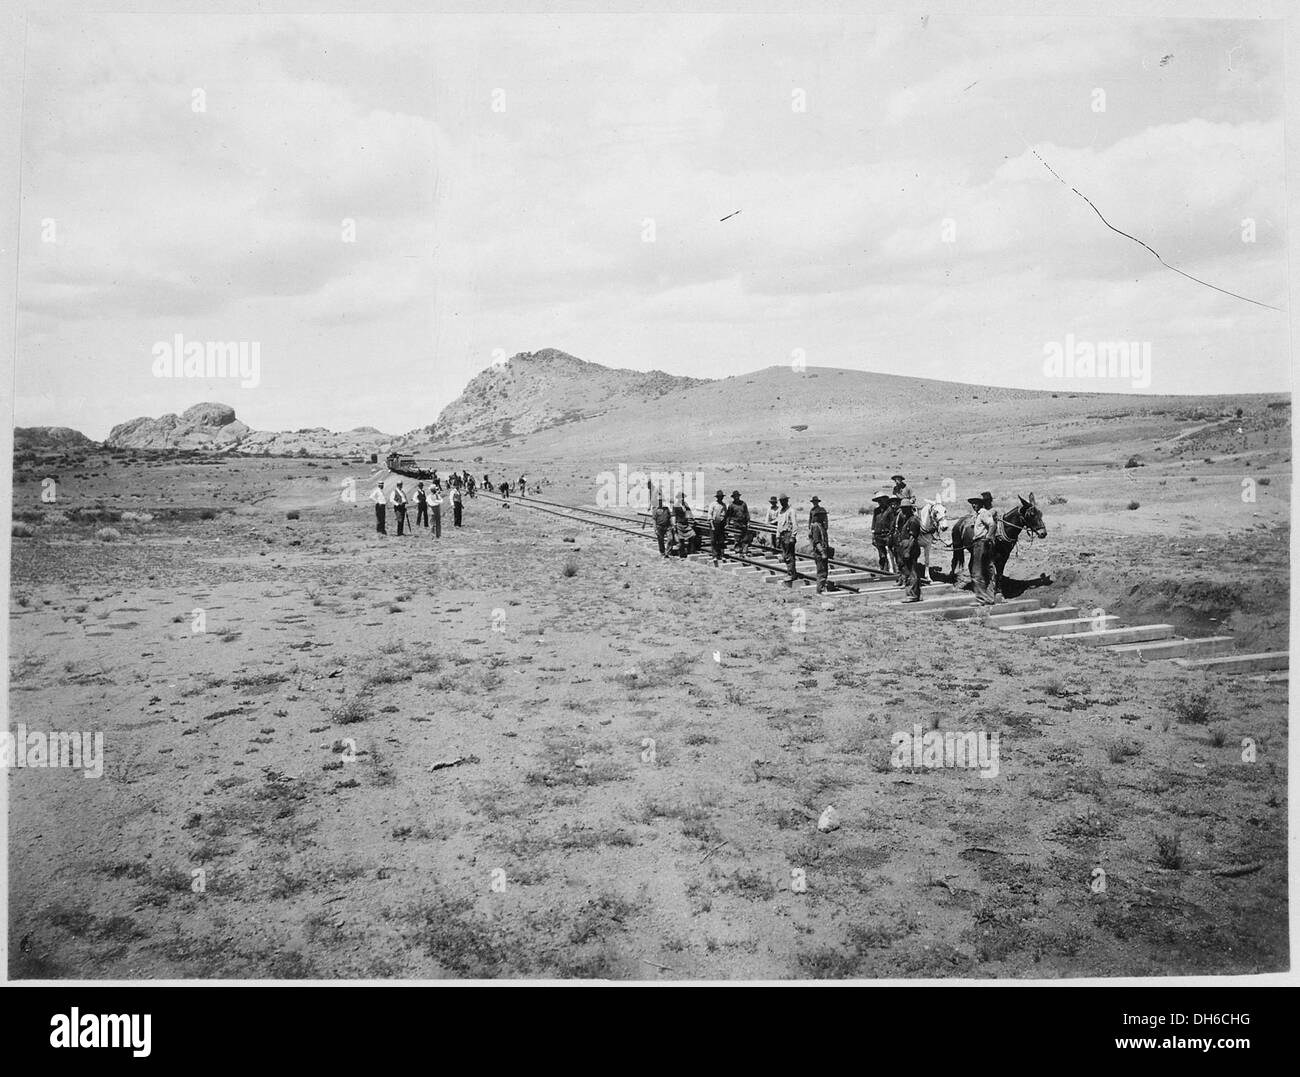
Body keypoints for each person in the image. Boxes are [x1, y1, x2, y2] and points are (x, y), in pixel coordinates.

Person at [968, 494, 996, 604]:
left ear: (981, 503)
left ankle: (981, 599)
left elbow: (992, 525)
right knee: (986, 571)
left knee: (976, 572)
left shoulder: (983, 513)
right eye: (972, 503)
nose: (974, 505)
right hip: (981, 543)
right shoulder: (979, 514)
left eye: (976, 503)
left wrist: (987, 537)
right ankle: (989, 598)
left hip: (980, 544)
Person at [896, 498, 923, 601]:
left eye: (905, 508)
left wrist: (907, 551)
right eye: (902, 508)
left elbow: (913, 537)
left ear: (909, 509)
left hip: (911, 549)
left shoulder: (913, 520)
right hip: (906, 548)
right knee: (908, 571)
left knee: (912, 572)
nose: (903, 510)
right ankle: (912, 594)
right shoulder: (907, 520)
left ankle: (913, 595)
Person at [808, 497, 832, 593]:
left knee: (824, 571)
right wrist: (822, 552)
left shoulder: (820, 526)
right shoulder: (816, 527)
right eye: (822, 516)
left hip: (822, 550)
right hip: (819, 552)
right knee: (821, 571)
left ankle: (822, 587)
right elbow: (817, 541)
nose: (824, 518)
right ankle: (820, 589)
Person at [774, 494, 797, 587]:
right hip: (782, 534)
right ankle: (790, 572)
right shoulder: (780, 512)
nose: (782, 502)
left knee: (789, 555)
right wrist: (777, 536)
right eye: (781, 501)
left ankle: (791, 574)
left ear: (786, 501)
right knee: (785, 555)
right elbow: (779, 525)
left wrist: (793, 536)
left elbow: (795, 524)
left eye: (783, 501)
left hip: (788, 534)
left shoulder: (791, 511)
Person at [869, 492, 893, 571]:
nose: (880, 502)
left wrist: (891, 534)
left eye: (882, 500)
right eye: (878, 500)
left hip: (887, 535)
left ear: (885, 500)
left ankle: (893, 569)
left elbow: (892, 523)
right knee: (882, 555)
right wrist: (873, 534)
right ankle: (883, 570)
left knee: (890, 554)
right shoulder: (876, 511)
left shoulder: (890, 510)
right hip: (878, 535)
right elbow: (874, 522)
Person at [726, 490, 751, 558]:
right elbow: (728, 515)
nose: (736, 497)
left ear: (739, 496)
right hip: (736, 523)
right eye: (735, 497)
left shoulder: (743, 504)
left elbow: (747, 513)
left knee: (745, 538)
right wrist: (727, 523)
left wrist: (748, 522)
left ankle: (744, 551)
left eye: (737, 496)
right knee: (737, 538)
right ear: (733, 497)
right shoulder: (731, 505)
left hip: (743, 523)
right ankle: (738, 551)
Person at [707, 489, 728, 566]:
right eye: (719, 497)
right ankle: (714, 556)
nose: (720, 498)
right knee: (713, 540)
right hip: (714, 524)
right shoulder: (713, 504)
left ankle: (721, 555)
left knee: (721, 540)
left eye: (721, 497)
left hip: (721, 525)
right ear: (717, 497)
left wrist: (725, 523)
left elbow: (725, 515)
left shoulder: (724, 505)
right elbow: (710, 515)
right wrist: (712, 525)